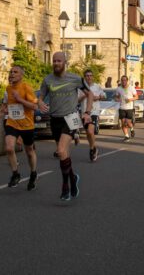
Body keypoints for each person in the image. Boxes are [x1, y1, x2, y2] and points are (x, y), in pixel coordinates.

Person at [38, 52, 94, 201]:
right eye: (54, 61)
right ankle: (73, 178)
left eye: (59, 61)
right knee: (63, 154)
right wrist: (39, 102)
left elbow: (90, 94)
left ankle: (65, 186)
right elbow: (41, 95)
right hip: (55, 119)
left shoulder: (75, 78)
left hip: (71, 118)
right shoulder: (47, 79)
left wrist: (87, 112)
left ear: (65, 62)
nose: (56, 63)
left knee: (61, 150)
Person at [4, 65, 39, 191]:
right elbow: (8, 105)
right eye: (11, 71)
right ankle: (15, 174)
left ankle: (33, 173)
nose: (12, 74)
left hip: (27, 125)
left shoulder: (26, 87)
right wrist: (2, 111)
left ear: (21, 75)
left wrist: (20, 99)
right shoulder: (8, 88)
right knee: (9, 148)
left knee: (29, 151)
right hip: (12, 122)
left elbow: (34, 107)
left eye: (15, 72)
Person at [78, 69, 106, 162]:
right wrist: (85, 95)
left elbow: (104, 96)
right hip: (84, 113)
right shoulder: (80, 88)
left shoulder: (97, 86)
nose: (89, 77)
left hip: (94, 112)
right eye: (87, 76)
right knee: (88, 133)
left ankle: (92, 149)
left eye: (90, 75)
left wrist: (98, 97)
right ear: (84, 77)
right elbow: (77, 100)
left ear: (93, 77)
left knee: (90, 131)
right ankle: (93, 148)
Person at [115, 75, 138, 142]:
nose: (123, 81)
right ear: (121, 81)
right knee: (123, 123)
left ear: (127, 81)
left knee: (128, 122)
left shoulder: (131, 88)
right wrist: (117, 99)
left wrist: (130, 99)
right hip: (122, 107)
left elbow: (136, 97)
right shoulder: (118, 88)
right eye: (122, 80)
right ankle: (126, 136)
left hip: (129, 108)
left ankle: (132, 128)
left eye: (125, 80)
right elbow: (116, 97)